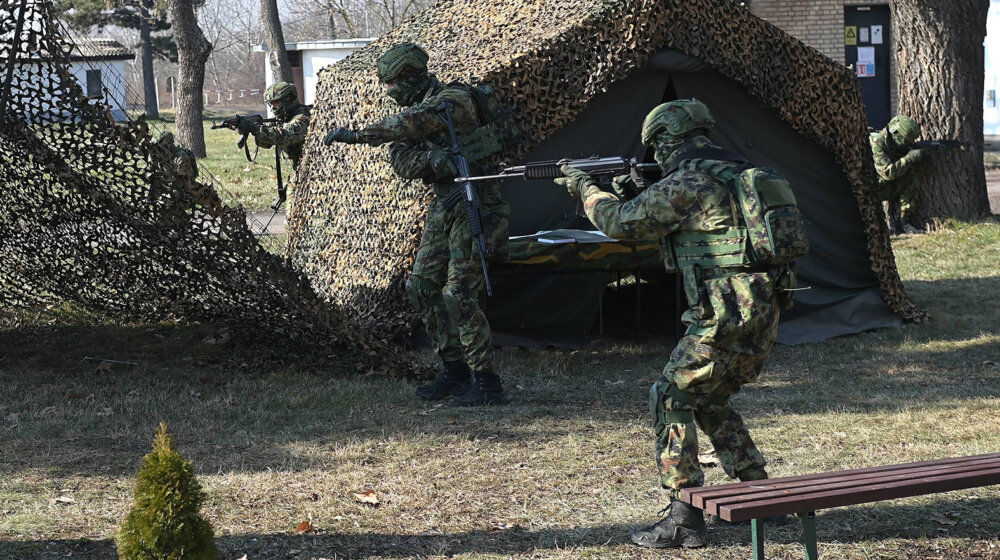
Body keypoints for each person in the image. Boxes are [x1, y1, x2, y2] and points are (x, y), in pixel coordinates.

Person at [557, 99, 798, 549]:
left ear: (665, 140)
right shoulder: (738, 174)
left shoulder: (688, 180)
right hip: (763, 309)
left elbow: (621, 224)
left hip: (722, 313)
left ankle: (684, 516)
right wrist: (633, 190)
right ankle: (762, 496)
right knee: (708, 398)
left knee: (669, 397)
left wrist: (586, 189)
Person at [323, 42, 511, 407]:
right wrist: (434, 158)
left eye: (393, 84)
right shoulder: (410, 116)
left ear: (410, 76)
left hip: (479, 200)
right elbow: (404, 164)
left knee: (459, 293)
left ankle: (487, 384)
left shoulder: (452, 98)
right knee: (421, 285)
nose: (389, 92)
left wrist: (358, 135)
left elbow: (416, 122)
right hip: (446, 201)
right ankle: (455, 371)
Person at [235, 81, 311, 209]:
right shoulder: (285, 119)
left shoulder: (302, 118)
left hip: (314, 174)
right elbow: (267, 143)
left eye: (276, 103)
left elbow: (283, 136)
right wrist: (247, 129)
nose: (272, 107)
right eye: (270, 104)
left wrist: (254, 128)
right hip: (301, 172)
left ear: (288, 99)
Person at [870, 115, 928, 234]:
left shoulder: (894, 144)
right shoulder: (876, 141)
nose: (908, 143)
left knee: (909, 180)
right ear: (895, 132)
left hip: (880, 187)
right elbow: (887, 173)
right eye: (906, 140)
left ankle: (901, 223)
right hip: (866, 190)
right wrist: (909, 158)